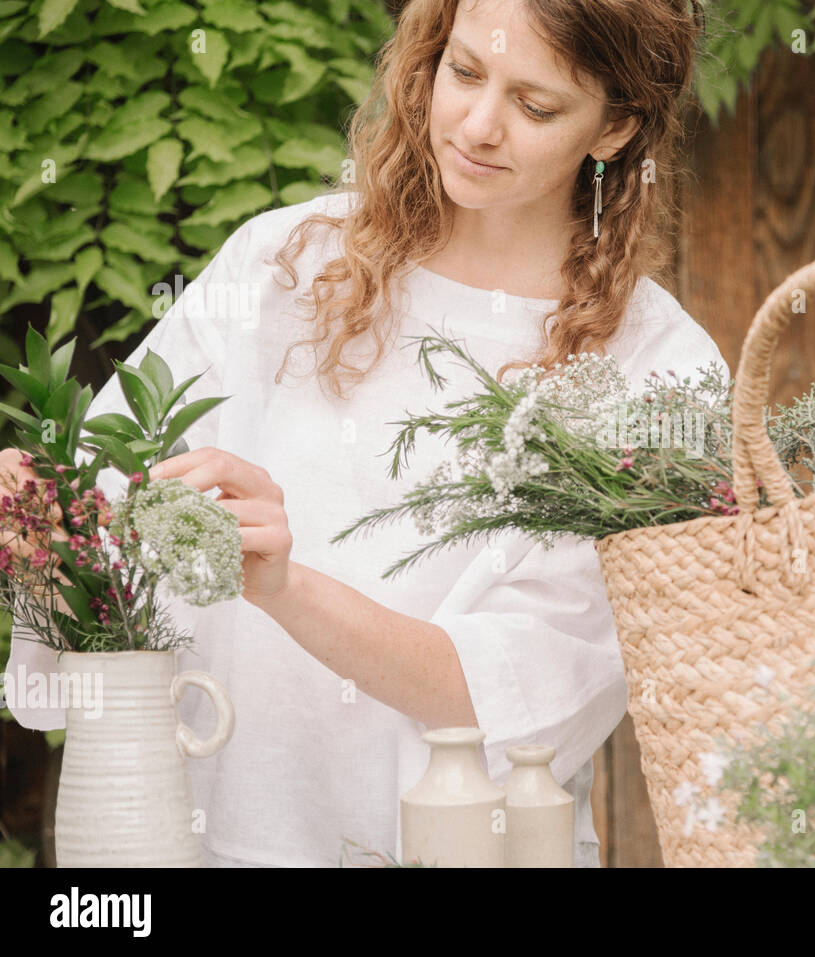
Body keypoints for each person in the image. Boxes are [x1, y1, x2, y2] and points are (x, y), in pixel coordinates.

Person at [3, 0, 726, 867]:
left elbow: (512, 689)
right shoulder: (283, 264)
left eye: (535, 107)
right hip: (199, 836)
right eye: (463, 73)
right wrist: (43, 517)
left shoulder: (660, 370)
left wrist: (281, 583)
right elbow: (98, 529)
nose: (479, 125)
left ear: (615, 126)